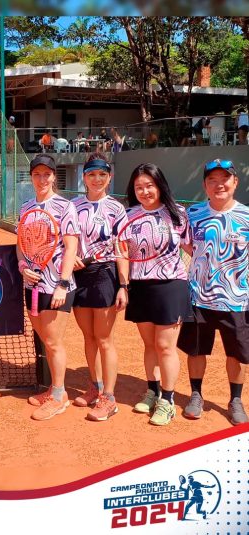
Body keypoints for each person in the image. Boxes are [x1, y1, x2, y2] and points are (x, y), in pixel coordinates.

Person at [177, 159, 249, 425]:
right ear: (205, 185)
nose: (219, 185)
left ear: (235, 182)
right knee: (196, 350)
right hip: (198, 297)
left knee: (237, 354)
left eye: (224, 179)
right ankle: (196, 394)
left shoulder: (246, 216)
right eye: (212, 180)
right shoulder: (193, 214)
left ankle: (236, 400)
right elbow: (186, 244)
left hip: (237, 300)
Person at [124, 163, 192, 426]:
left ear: (160, 185)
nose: (144, 191)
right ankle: (152, 391)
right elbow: (121, 252)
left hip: (170, 285)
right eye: (139, 187)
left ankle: (168, 400)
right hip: (140, 286)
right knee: (150, 344)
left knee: (165, 346)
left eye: (149, 185)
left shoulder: (177, 214)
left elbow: (192, 248)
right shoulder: (128, 215)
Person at [17, 154, 79, 421]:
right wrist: (22, 267)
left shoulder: (66, 207)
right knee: (45, 339)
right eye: (37, 174)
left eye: (47, 174)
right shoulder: (25, 207)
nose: (42, 179)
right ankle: (54, 389)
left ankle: (59, 395)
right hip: (32, 284)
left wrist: (63, 284)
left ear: (54, 176)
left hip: (57, 286)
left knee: (53, 342)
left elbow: (71, 247)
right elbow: (20, 244)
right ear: (31, 177)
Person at [71, 153, 129, 421]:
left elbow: (122, 248)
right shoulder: (73, 206)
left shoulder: (116, 209)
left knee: (104, 338)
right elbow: (66, 242)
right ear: (84, 177)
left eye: (102, 175)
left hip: (105, 274)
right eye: (92, 174)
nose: (97, 179)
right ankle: (94, 386)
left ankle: (109, 397)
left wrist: (123, 285)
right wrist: (70, 258)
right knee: (89, 336)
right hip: (79, 275)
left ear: (109, 177)